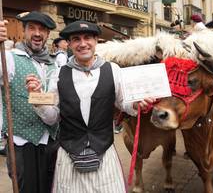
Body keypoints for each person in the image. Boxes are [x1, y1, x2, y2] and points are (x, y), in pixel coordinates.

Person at [26, 20, 155, 192]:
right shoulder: (59, 74)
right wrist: (38, 99)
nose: (83, 43)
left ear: (96, 42)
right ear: (70, 44)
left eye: (88, 38)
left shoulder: (113, 70)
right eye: (76, 39)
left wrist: (137, 103)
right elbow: (52, 118)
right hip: (69, 156)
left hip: (104, 152)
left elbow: (124, 104)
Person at [0, 11, 58, 193]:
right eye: (32, 28)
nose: (37, 33)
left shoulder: (54, 64)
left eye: (42, 29)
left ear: (48, 35)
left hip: (50, 142)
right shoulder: (8, 57)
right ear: (24, 31)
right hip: (21, 143)